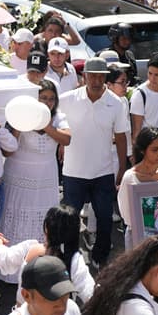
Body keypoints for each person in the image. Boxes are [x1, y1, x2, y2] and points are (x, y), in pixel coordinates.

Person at [60, 58, 129, 268]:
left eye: (101, 76)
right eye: (93, 75)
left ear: (106, 78)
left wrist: (123, 168)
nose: (97, 80)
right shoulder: (67, 99)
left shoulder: (116, 103)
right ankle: (71, 260)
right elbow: (52, 119)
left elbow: (121, 136)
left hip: (103, 171)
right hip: (73, 172)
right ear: (84, 77)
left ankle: (100, 258)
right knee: (70, 221)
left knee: (105, 219)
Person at [0, 80, 69, 247]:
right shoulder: (20, 116)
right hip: (18, 179)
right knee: (16, 218)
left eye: (51, 99)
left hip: (45, 180)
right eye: (43, 98)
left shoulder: (58, 118)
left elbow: (67, 139)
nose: (47, 102)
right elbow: (8, 151)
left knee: (43, 221)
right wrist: (20, 124)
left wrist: (46, 126)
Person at [0, 203, 96, 303]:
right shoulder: (75, 260)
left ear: (46, 228)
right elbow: (90, 294)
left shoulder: (30, 248)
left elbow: (4, 259)